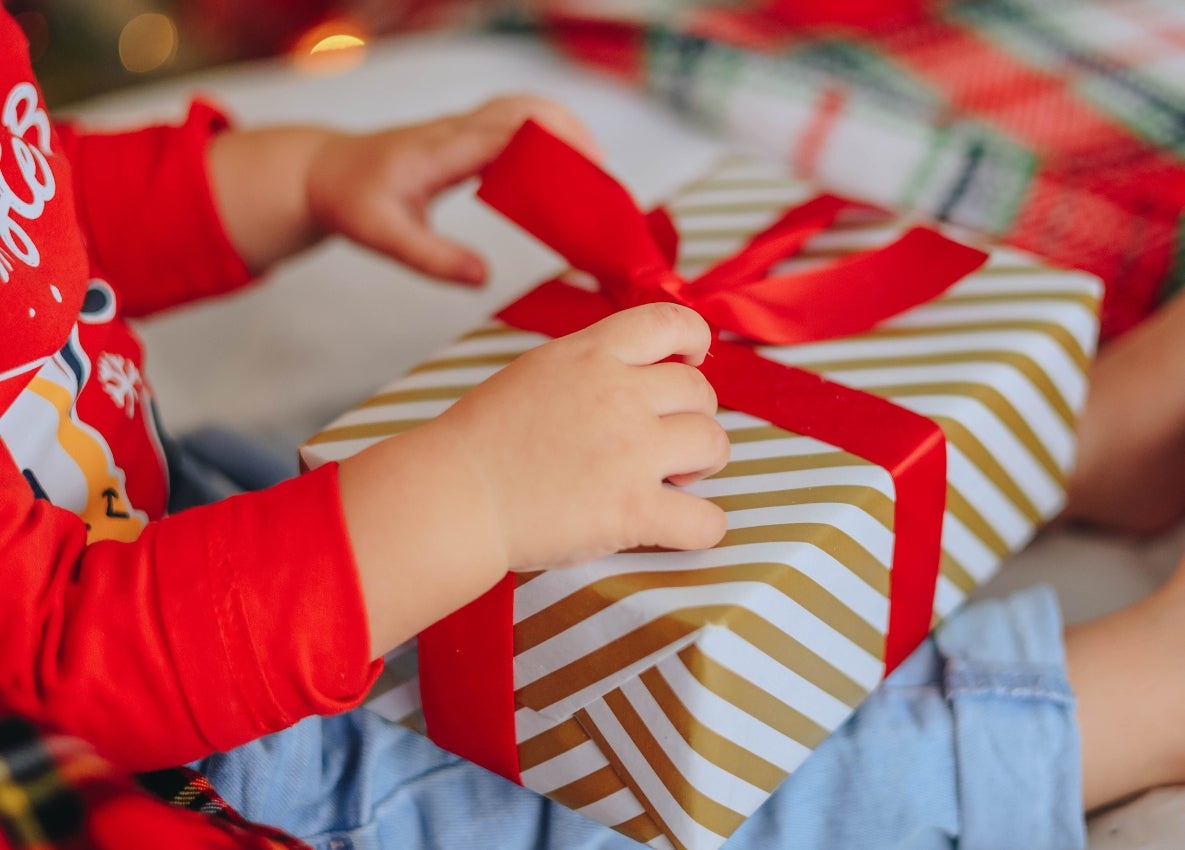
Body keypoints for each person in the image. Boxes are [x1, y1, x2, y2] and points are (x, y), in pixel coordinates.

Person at [0, 4, 1182, 848]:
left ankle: (1028, 450)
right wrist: (473, 493)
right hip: (173, 777)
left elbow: (42, 194)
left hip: (163, 509)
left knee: (453, 456)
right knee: (630, 794)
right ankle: (1126, 703)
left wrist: (297, 176)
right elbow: (66, 666)